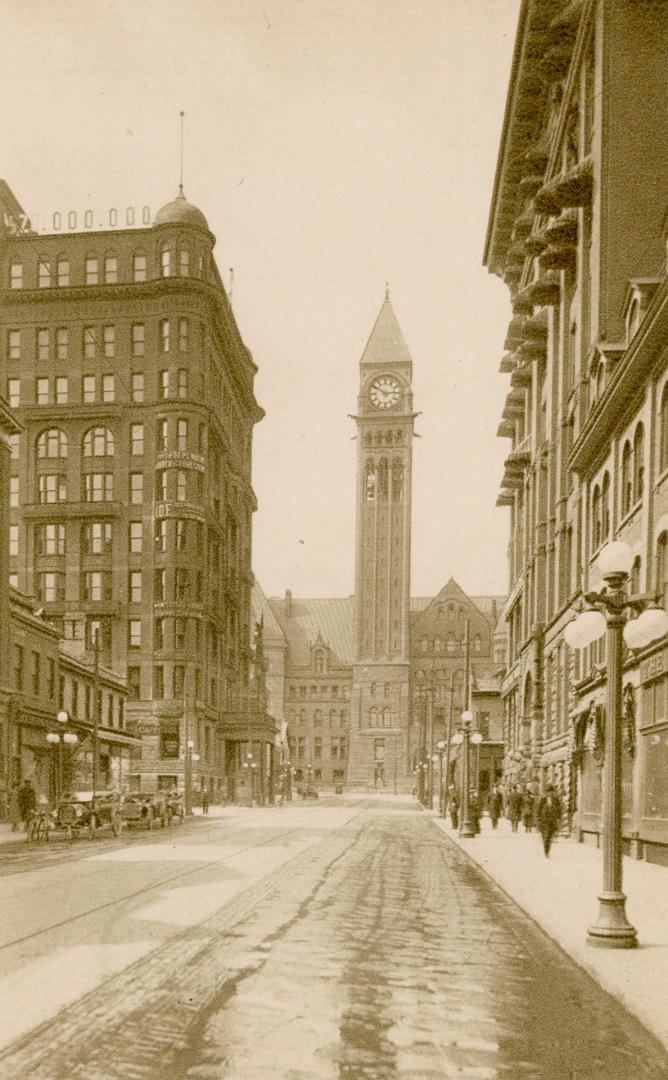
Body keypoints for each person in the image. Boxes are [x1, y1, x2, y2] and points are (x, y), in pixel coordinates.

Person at [537, 784, 562, 857]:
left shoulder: (556, 800)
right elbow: (538, 810)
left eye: (551, 792)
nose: (550, 793)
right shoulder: (542, 800)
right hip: (544, 821)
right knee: (546, 836)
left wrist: (558, 819)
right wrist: (539, 819)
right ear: (546, 792)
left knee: (550, 836)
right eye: (548, 792)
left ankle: (547, 850)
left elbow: (559, 810)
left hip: (552, 821)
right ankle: (546, 852)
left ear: (553, 792)